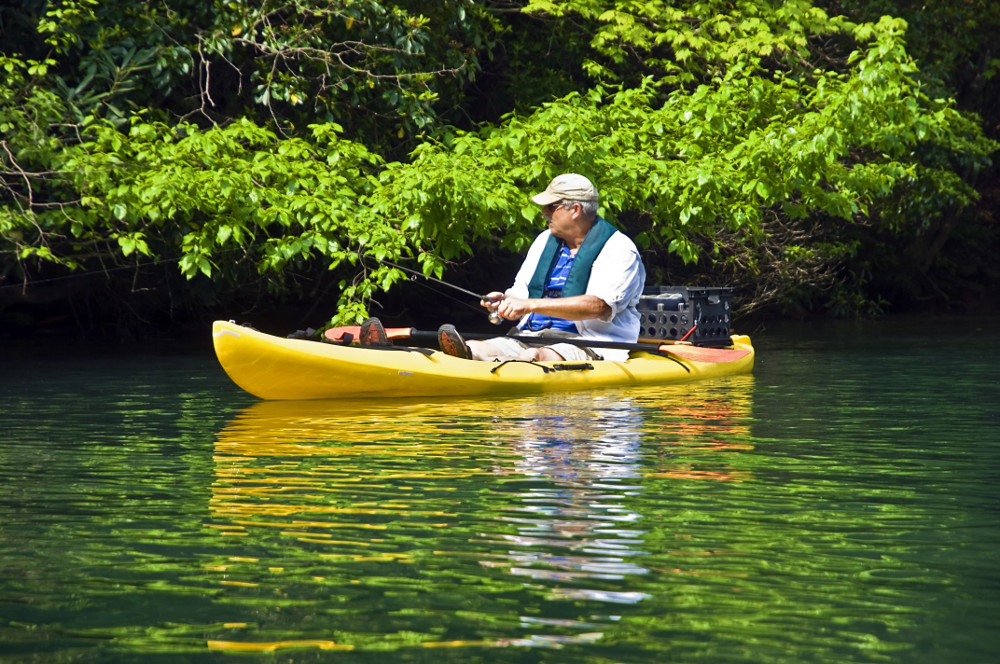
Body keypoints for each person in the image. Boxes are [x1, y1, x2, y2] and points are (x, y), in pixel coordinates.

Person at [436, 173, 646, 362]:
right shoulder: (544, 240)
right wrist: (505, 302)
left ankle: (503, 366)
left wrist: (529, 305)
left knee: (534, 356)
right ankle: (480, 358)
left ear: (575, 210)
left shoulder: (619, 250)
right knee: (474, 346)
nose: (543, 212)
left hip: (588, 343)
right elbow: (521, 293)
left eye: (551, 207)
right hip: (529, 336)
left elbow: (598, 306)